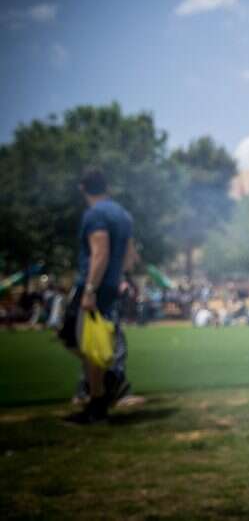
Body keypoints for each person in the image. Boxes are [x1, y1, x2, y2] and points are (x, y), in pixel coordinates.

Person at [61, 168, 137, 424]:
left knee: (77, 339)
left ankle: (100, 395)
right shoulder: (123, 215)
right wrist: (118, 279)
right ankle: (103, 389)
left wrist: (91, 289)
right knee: (89, 341)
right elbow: (130, 257)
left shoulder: (95, 215)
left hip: (93, 284)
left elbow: (100, 252)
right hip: (112, 284)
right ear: (107, 187)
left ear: (83, 188)